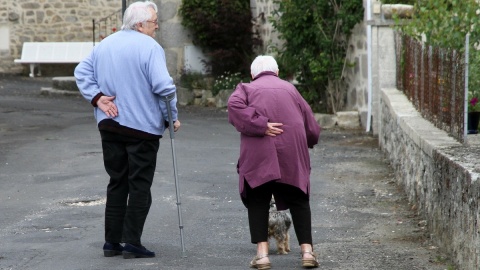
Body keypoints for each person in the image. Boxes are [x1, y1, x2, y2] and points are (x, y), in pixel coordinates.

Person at [74, 1, 180, 259]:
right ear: (141, 24)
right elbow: (164, 88)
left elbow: (81, 71)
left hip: (109, 125)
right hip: (141, 128)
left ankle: (112, 242)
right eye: (154, 23)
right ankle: (132, 242)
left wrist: (98, 98)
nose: (156, 27)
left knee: (117, 182)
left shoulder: (106, 44)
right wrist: (171, 118)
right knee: (140, 185)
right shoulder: (150, 47)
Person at [227, 55, 321, 269]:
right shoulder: (290, 89)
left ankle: (262, 256)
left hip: (259, 153)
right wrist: (310, 140)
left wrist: (260, 125)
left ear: (253, 74)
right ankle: (307, 252)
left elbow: (233, 105)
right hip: (292, 152)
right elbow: (311, 125)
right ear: (277, 72)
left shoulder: (246, 89)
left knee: (258, 200)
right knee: (299, 199)